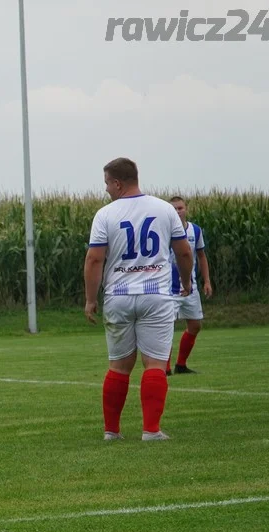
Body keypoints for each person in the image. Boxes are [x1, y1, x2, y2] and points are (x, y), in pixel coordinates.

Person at [84, 157, 193, 441]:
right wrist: (185, 280)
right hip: (155, 295)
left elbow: (95, 258)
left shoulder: (105, 214)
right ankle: (151, 430)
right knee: (155, 364)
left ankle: (112, 431)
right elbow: (183, 252)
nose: (106, 189)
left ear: (117, 183)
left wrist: (90, 299)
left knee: (119, 366)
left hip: (118, 295)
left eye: (107, 183)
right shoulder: (165, 209)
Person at [165, 196, 213, 375]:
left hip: (190, 288)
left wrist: (207, 281)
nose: (177, 212)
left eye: (180, 208)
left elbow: (201, 256)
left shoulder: (195, 230)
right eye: (174, 209)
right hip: (169, 289)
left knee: (195, 325)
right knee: (166, 328)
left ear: (186, 209)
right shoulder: (165, 231)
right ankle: (166, 368)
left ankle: (181, 365)